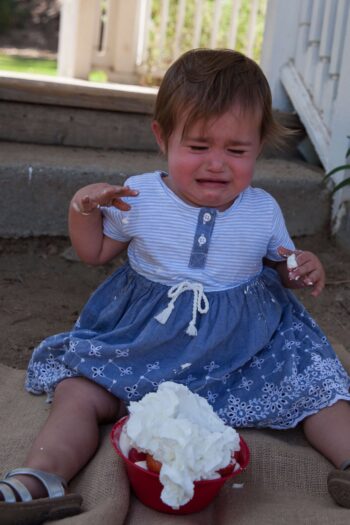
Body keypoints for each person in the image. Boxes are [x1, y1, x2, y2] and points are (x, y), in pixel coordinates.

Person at [1, 48, 350, 523]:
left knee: (318, 387)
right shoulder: (140, 196)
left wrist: (302, 267)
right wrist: (81, 211)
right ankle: (40, 476)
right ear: (163, 137)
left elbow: (282, 268)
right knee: (79, 392)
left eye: (237, 150)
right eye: (199, 147)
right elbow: (95, 253)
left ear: (259, 146)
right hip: (143, 338)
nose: (216, 164)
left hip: (242, 347)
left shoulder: (262, 209)